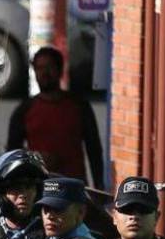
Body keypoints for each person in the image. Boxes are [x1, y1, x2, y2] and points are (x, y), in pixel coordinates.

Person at [6, 47, 104, 187]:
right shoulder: (24, 109)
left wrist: (99, 187)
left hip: (73, 187)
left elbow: (94, 150)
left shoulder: (79, 106)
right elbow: (12, 154)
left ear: (60, 70)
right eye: (39, 68)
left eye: (49, 67)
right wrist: (35, 158)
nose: (45, 73)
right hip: (39, 187)